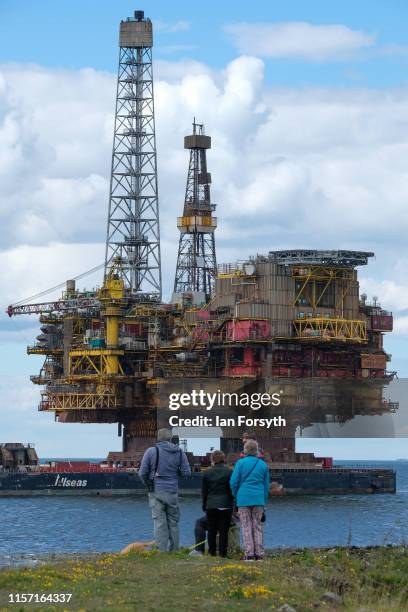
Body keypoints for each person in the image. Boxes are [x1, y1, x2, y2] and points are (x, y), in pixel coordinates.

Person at [139, 428, 191, 552]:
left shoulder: (151, 451)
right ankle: (174, 550)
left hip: (156, 491)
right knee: (173, 522)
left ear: (158, 438)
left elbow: (141, 473)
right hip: (172, 491)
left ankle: (161, 551)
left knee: (160, 523)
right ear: (171, 438)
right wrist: (174, 474)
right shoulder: (179, 452)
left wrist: (148, 484)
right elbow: (187, 472)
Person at [230, 439, 269, 561]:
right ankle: (260, 554)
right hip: (258, 499)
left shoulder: (240, 463)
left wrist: (236, 495)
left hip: (243, 499)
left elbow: (233, 482)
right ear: (257, 450)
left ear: (245, 450)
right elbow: (266, 485)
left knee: (246, 526)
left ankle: (249, 554)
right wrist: (264, 500)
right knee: (257, 526)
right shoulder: (263, 465)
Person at [201, 450, 233, 557]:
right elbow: (231, 490)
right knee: (224, 530)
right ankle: (223, 553)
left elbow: (204, 491)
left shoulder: (207, 473)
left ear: (212, 459)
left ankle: (212, 552)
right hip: (225, 504)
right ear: (223, 459)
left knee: (211, 530)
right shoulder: (229, 472)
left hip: (211, 504)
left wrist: (204, 505)